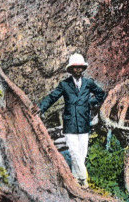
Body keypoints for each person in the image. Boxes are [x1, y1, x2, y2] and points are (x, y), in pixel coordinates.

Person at [36, 53, 106, 187]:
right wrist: (41, 107)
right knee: (74, 152)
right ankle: (84, 180)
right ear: (70, 70)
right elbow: (52, 97)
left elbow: (101, 94)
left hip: (84, 123)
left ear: (83, 69)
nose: (78, 70)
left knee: (82, 154)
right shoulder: (64, 85)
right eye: (75, 68)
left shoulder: (88, 83)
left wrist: (90, 103)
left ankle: (75, 180)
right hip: (69, 124)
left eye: (80, 67)